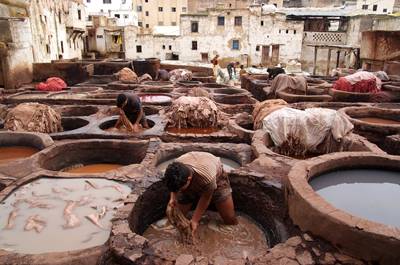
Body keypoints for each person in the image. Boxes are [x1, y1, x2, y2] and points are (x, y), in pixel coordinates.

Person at [164, 152, 238, 237]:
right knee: (177, 218)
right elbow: (173, 186)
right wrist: (172, 198)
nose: (178, 192)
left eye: (180, 189)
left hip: (216, 177)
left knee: (230, 219)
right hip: (193, 169)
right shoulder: (174, 169)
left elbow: (206, 198)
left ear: (189, 179)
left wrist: (195, 220)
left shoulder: (207, 177)